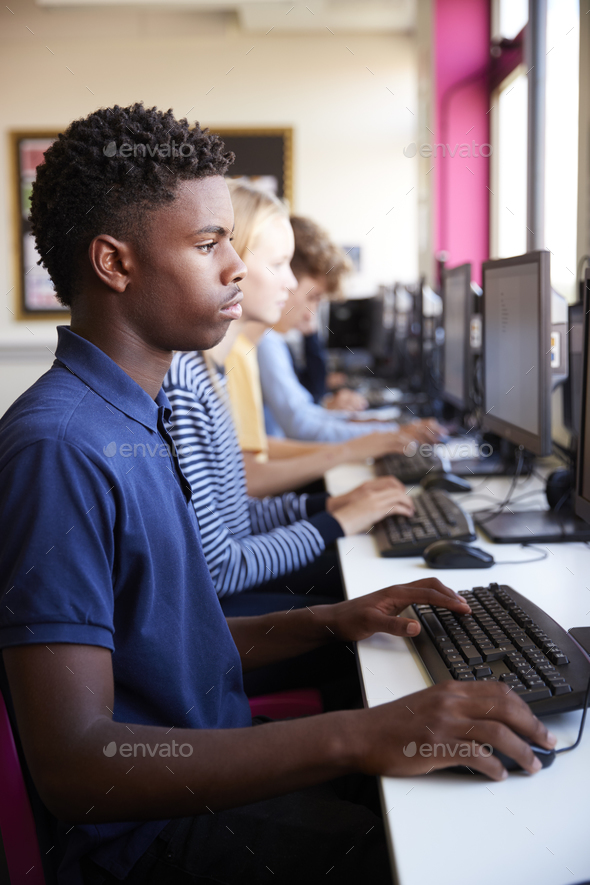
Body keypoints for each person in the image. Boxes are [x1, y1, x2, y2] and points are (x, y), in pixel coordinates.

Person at [0, 104, 556, 885]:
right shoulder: (62, 447)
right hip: (155, 842)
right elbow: (77, 765)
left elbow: (171, 648)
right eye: (206, 243)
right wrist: (355, 735)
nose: (235, 264)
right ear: (114, 263)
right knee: (490, 853)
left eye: (231, 238)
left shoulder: (135, 412)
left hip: (213, 774)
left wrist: (331, 619)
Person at [163, 194, 414, 608]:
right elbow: (219, 568)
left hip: (228, 581)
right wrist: (337, 520)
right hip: (213, 611)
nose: (293, 284)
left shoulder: (210, 371)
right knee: (375, 603)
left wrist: (331, 505)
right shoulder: (187, 380)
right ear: (230, 266)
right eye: (278, 264)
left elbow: (237, 512)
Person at [213, 182, 441, 498]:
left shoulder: (245, 350)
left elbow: (259, 449)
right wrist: (357, 447)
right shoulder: (239, 351)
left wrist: (364, 439)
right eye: (313, 296)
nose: (311, 313)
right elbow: (285, 438)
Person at [258, 214, 401, 441]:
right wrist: (391, 434)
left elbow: (304, 414)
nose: (311, 313)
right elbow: (300, 425)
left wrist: (378, 427)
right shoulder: (263, 342)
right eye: (313, 297)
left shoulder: (271, 339)